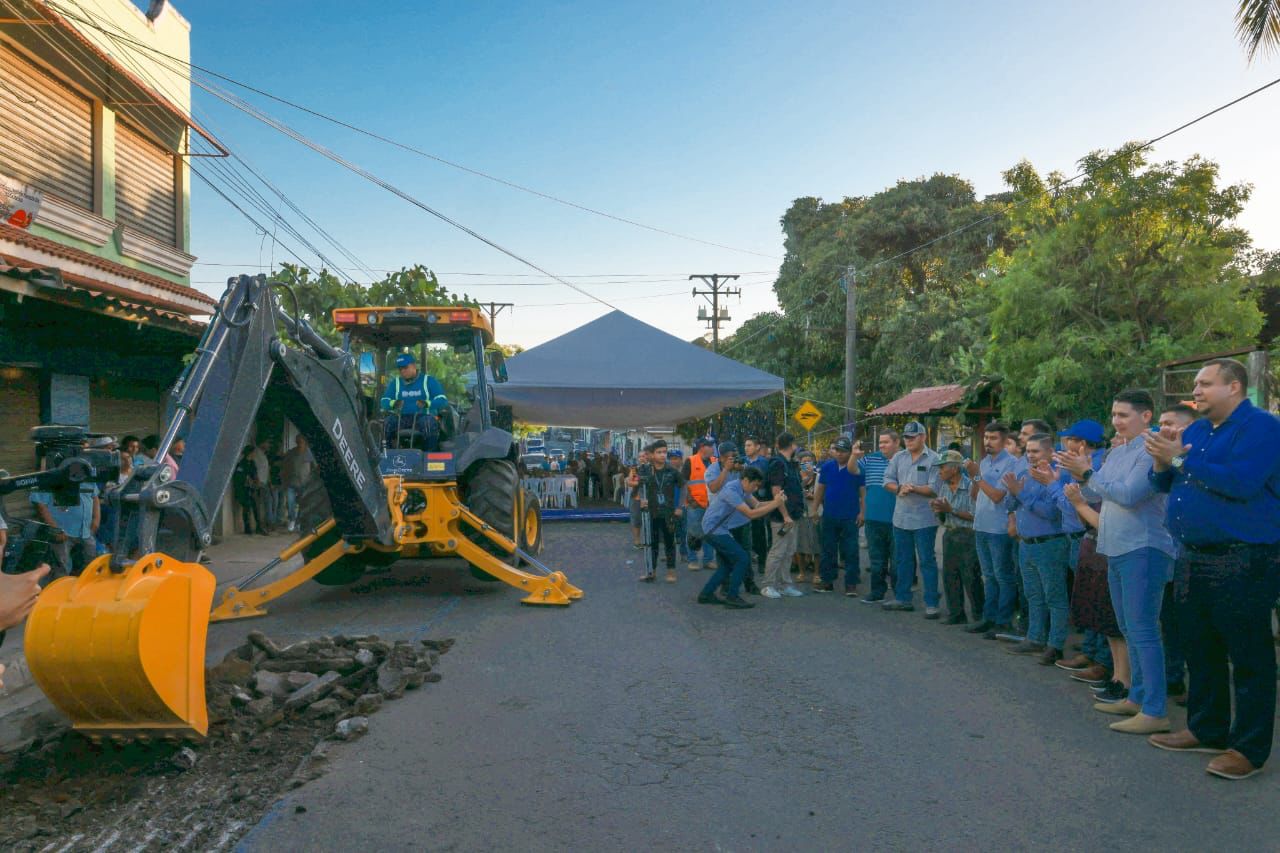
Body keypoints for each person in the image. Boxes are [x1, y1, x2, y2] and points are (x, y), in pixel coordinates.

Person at [1146, 359, 1280, 780]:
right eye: (1196, 384)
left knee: (1248, 655)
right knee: (1199, 647)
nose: (1196, 391)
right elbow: (1164, 486)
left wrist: (1180, 461)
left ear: (1234, 387)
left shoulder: (1263, 427)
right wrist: (1162, 461)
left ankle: (1248, 749)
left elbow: (1241, 482)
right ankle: (1207, 728)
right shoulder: (1199, 430)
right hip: (1194, 556)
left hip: (1244, 557)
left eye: (1205, 384)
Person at [1059, 389, 1176, 734]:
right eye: (1113, 415)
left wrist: (1089, 474)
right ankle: (1136, 697)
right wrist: (1080, 476)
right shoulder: (1117, 450)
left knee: (1143, 630)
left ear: (1146, 417)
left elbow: (1129, 494)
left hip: (1144, 547)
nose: (1116, 421)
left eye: (1123, 415)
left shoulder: (1149, 450)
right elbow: (1100, 492)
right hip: (1115, 546)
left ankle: (1155, 709)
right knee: (1127, 628)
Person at [1051, 420, 1117, 684]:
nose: (1065, 444)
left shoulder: (1097, 464)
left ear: (1081, 442)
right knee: (1090, 600)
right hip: (1083, 535)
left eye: (1069, 439)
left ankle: (1104, 662)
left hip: (1097, 535)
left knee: (1102, 603)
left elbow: (1074, 502)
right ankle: (1091, 652)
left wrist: (1054, 485)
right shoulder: (1077, 464)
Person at [1154, 403, 1198, 703]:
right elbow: (1158, 485)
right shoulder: (1168, 459)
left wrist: (1176, 459)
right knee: (1169, 620)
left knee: (1195, 626)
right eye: (1161, 423)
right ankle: (1173, 677)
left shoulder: (1198, 453)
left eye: (1170, 423)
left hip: (1199, 553)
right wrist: (1161, 461)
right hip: (1169, 552)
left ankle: (1198, 689)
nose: (1164, 429)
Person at [696, 465, 784, 609]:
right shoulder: (732, 490)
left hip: (717, 529)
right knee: (742, 558)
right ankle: (732, 596)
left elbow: (757, 505)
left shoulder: (742, 488)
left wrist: (777, 501)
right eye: (755, 485)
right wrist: (775, 503)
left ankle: (706, 594)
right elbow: (751, 514)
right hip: (714, 529)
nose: (756, 489)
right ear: (746, 480)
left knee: (726, 565)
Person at [964, 422, 1020, 637]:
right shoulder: (984, 462)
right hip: (981, 525)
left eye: (993, 438)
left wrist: (978, 477)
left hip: (999, 528)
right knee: (988, 575)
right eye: (986, 438)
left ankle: (1003, 620)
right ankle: (989, 617)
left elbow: (998, 496)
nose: (988, 442)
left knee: (1002, 575)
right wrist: (975, 477)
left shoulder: (1011, 464)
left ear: (1005, 441)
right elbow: (975, 495)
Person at [882, 421, 942, 616]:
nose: (908, 441)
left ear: (923, 437)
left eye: (912, 437)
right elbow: (887, 481)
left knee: (927, 561)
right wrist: (899, 488)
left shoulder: (934, 459)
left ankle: (932, 603)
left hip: (925, 520)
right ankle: (903, 598)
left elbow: (934, 489)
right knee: (903, 560)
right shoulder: (899, 457)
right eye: (906, 437)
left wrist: (913, 488)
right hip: (901, 519)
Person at [932, 450, 983, 625]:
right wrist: (939, 510)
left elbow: (975, 515)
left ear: (954, 469)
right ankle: (956, 613)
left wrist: (950, 510)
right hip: (950, 532)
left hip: (967, 535)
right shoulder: (944, 486)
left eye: (942, 467)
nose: (940, 471)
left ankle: (978, 615)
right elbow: (943, 516)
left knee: (971, 577)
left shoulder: (970, 486)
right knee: (949, 575)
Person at [812, 435, 865, 596]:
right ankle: (827, 581)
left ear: (850, 452)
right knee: (828, 549)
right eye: (837, 450)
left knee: (851, 551)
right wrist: (814, 509)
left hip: (850, 516)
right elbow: (820, 489)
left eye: (844, 451)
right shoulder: (827, 467)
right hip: (830, 515)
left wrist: (863, 512)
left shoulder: (857, 468)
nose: (840, 454)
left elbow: (863, 493)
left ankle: (851, 584)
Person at [759, 432, 806, 599]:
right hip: (782, 518)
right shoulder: (778, 464)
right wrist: (785, 515)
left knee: (789, 551)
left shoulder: (790, 464)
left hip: (793, 516)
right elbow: (776, 491)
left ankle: (785, 584)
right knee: (778, 551)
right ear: (792, 445)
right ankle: (768, 585)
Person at [30, 472, 100, 578]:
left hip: (86, 531)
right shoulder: (49, 479)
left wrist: (96, 520)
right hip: (62, 533)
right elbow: (40, 505)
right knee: (62, 569)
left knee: (90, 566)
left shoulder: (87, 477)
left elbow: (95, 498)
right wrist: (55, 529)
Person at [637, 440, 685, 583]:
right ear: (652, 454)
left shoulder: (672, 471)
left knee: (670, 542)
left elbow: (684, 487)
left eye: (664, 452)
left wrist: (679, 506)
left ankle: (671, 572)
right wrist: (641, 499)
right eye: (659, 452)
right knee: (652, 543)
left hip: (669, 512)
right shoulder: (645, 470)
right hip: (651, 512)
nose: (663, 455)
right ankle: (651, 572)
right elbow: (638, 486)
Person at [860, 430, 899, 604]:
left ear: (897, 443)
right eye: (880, 442)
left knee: (898, 560)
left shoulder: (905, 460)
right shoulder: (870, 459)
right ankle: (877, 592)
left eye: (886, 442)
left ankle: (901, 595)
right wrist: (854, 456)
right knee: (876, 559)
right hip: (873, 518)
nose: (882, 445)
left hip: (898, 519)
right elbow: (853, 469)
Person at [380, 352, 447, 449]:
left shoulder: (429, 381)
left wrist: (427, 403)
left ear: (414, 366)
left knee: (428, 423)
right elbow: (384, 401)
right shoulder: (395, 383)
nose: (403, 371)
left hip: (423, 417)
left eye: (405, 367)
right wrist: (393, 403)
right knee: (387, 424)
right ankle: (386, 455)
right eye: (400, 369)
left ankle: (429, 455)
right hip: (401, 418)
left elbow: (442, 400)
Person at [680, 438, 717, 571]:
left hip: (711, 504)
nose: (713, 448)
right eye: (710, 446)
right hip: (695, 504)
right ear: (702, 447)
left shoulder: (714, 461)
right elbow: (683, 483)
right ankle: (693, 560)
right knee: (693, 532)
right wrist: (690, 500)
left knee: (709, 532)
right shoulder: (690, 461)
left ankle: (708, 560)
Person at [742, 436, 773, 578]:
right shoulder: (742, 461)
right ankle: (748, 560)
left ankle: (763, 561)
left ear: (757, 447)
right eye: (745, 445)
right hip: (744, 500)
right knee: (747, 531)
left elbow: (767, 481)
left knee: (761, 531)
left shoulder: (764, 462)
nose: (746, 448)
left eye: (749, 445)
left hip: (761, 500)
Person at [793, 450, 821, 583]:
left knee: (816, 544)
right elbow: (792, 493)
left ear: (814, 462)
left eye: (809, 461)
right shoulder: (796, 477)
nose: (806, 464)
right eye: (803, 462)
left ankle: (817, 573)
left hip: (815, 513)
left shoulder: (819, 476)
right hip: (800, 514)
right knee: (799, 545)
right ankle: (802, 572)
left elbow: (824, 495)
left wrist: (813, 497)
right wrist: (804, 481)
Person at [281, 434, 314, 533]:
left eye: (301, 442)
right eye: (298, 442)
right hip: (291, 482)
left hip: (304, 483)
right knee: (291, 503)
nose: (299, 444)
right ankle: (292, 519)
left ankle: (299, 522)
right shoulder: (291, 453)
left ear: (305, 442)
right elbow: (285, 466)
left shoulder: (309, 453)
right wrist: (284, 479)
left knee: (303, 504)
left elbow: (314, 467)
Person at [233, 445, 266, 535]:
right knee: (247, 508)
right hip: (244, 490)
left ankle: (259, 527)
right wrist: (246, 479)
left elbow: (254, 474)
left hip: (252, 489)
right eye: (253, 453)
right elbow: (238, 478)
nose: (254, 454)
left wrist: (257, 481)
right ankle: (247, 529)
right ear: (250, 453)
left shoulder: (252, 463)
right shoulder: (242, 464)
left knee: (256, 508)